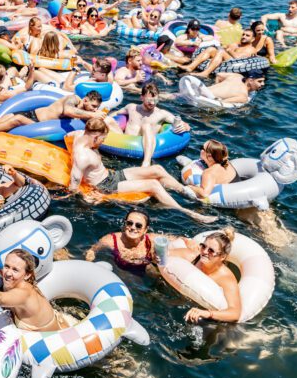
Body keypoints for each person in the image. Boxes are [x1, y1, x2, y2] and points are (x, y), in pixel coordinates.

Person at [68, 117, 215, 222]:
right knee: (153, 184)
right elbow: (73, 187)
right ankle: (188, 213)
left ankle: (189, 194)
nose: (103, 141)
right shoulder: (83, 156)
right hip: (105, 186)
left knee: (157, 169)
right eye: (102, 139)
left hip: (111, 175)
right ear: (95, 135)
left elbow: (74, 132)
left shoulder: (81, 134)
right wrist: (88, 196)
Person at [0, 90, 105, 140]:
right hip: (31, 114)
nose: (93, 110)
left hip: (37, 123)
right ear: (85, 100)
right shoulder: (73, 99)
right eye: (92, 106)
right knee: (0, 120)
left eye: (95, 108)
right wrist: (92, 115)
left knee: (16, 119)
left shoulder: (84, 111)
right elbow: (68, 111)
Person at [168, 228, 241, 323]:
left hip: (203, 313)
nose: (205, 252)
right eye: (203, 246)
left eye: (211, 250)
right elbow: (163, 255)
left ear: (222, 257)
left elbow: (235, 313)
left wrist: (206, 313)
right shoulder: (193, 257)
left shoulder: (226, 278)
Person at [108, 82, 190, 167]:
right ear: (142, 98)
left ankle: (146, 162)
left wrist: (186, 126)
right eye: (149, 100)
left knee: (146, 126)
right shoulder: (131, 108)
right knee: (108, 120)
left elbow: (179, 122)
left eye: (155, 100)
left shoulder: (161, 114)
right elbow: (117, 113)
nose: (152, 103)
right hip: (122, 146)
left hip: (145, 148)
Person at [84, 209, 162, 273]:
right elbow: (92, 250)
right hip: (122, 272)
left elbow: (173, 242)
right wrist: (89, 262)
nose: (133, 227)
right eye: (129, 223)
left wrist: (159, 258)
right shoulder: (111, 240)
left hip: (146, 270)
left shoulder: (152, 240)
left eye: (138, 225)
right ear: (125, 225)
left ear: (145, 230)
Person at [180, 27, 260, 78]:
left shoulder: (251, 49)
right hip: (227, 60)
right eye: (243, 34)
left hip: (237, 65)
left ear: (252, 39)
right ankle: (191, 67)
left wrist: (230, 51)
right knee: (211, 49)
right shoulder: (237, 45)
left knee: (221, 52)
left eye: (247, 35)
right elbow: (224, 48)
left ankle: (205, 73)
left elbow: (238, 58)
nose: (244, 36)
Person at [182, 70, 265, 105]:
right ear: (250, 81)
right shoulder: (243, 96)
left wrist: (216, 85)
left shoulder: (237, 76)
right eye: (260, 81)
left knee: (175, 96)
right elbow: (221, 104)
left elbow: (218, 75)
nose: (263, 84)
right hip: (201, 100)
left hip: (198, 89)